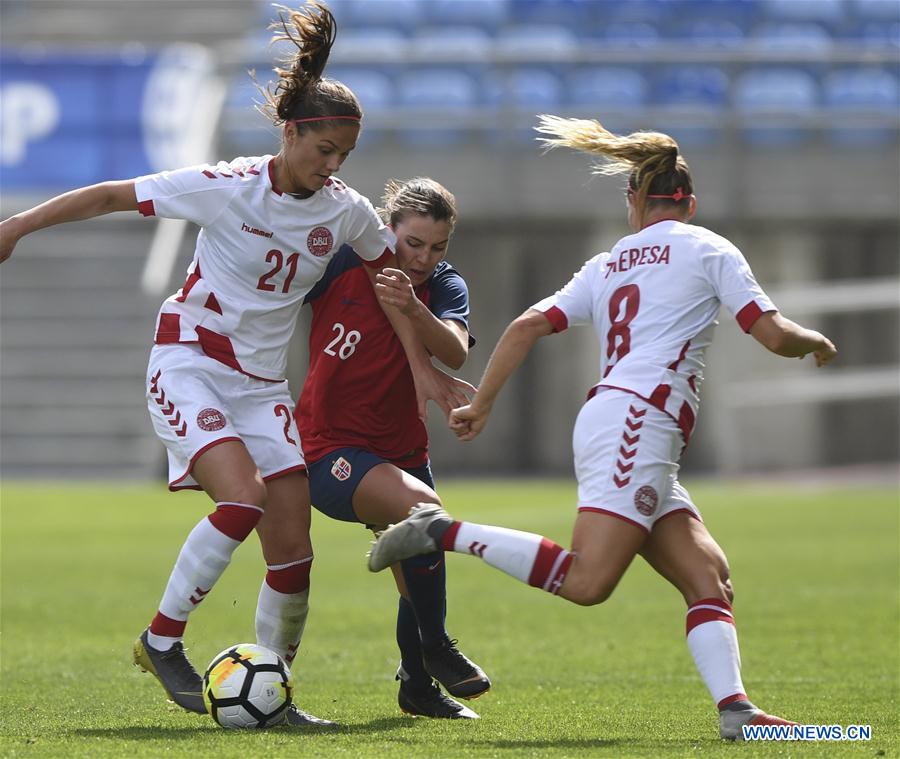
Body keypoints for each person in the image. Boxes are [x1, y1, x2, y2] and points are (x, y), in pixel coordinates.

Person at [0, 1, 462, 728]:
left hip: (257, 384)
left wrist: (426, 371)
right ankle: (162, 641)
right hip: (188, 361)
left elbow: (394, 295)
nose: (334, 165)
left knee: (293, 548)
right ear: (291, 132)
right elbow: (113, 194)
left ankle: (273, 692)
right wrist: (19, 225)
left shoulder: (347, 213)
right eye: (324, 149)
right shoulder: (227, 185)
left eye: (344, 153)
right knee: (241, 496)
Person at [367, 115, 838, 740]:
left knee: (709, 576)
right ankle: (442, 532)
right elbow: (773, 333)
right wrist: (816, 341)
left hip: (630, 426)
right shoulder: (708, 247)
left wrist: (483, 404)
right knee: (588, 582)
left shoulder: (609, 262)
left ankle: (737, 712)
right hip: (638, 423)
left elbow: (527, 324)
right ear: (689, 204)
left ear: (634, 201)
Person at [296, 177, 488, 719]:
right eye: (413, 244)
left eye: (437, 247)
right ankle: (437, 649)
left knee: (419, 563)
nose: (425, 257)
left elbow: (453, 349)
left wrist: (414, 304)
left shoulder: (445, 285)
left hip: (404, 450)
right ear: (388, 230)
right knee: (425, 516)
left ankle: (417, 687)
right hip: (329, 449)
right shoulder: (339, 265)